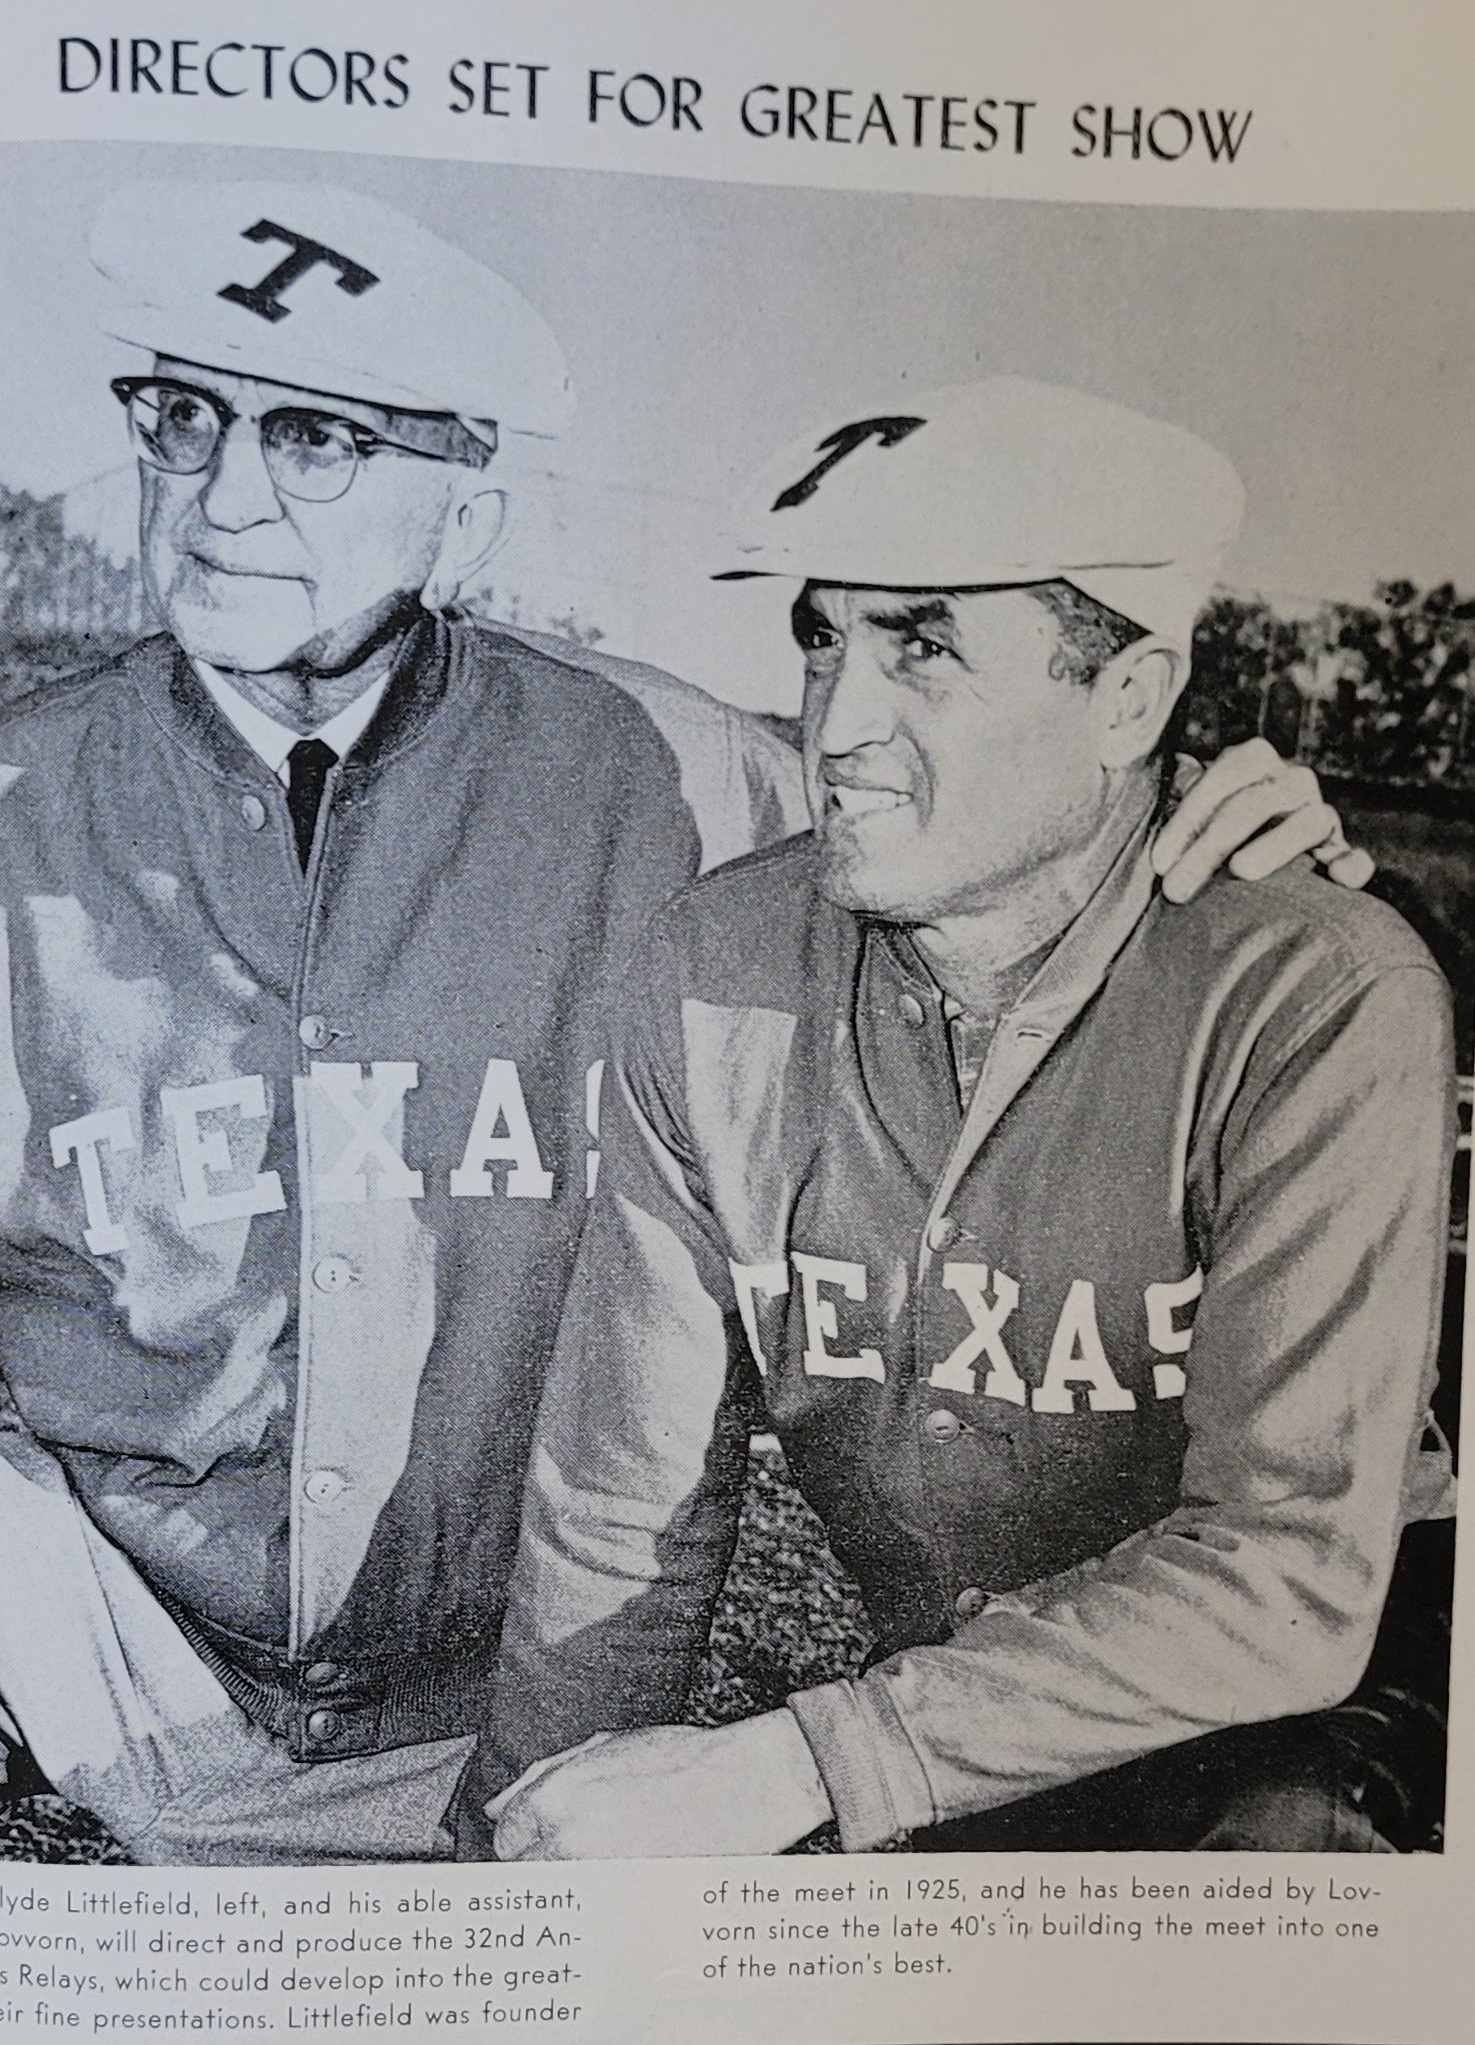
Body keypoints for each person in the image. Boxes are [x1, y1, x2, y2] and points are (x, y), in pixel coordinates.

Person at [0, 179, 1362, 1868]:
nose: (225, 492)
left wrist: (1221, 841)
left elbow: (1004, 822)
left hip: (485, 1684)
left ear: (467, 524)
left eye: (321, 439)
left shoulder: (680, 779)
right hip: (98, 1634)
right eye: (187, 417)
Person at [477, 378, 1457, 1860]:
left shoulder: (1311, 987)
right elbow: (622, 1508)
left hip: (1316, 1707)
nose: (835, 722)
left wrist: (810, 1757)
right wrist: (515, 1866)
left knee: (1284, 1859)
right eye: (822, 637)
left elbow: (1282, 1578)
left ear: (1125, 698)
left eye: (921, 646)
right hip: (963, 1694)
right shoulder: (714, 965)